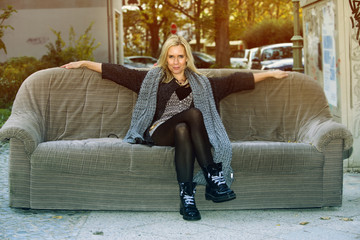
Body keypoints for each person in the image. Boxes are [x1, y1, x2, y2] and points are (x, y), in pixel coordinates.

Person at [61, 35, 288, 221]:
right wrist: (84, 63)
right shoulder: (152, 79)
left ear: (187, 57)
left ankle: (187, 199)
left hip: (182, 135)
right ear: (165, 58)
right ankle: (214, 177)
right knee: (193, 115)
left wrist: (269, 73)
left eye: (180, 56)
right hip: (159, 131)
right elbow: (118, 72)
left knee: (183, 129)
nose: (176, 61)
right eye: (171, 56)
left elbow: (235, 81)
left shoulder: (204, 84)